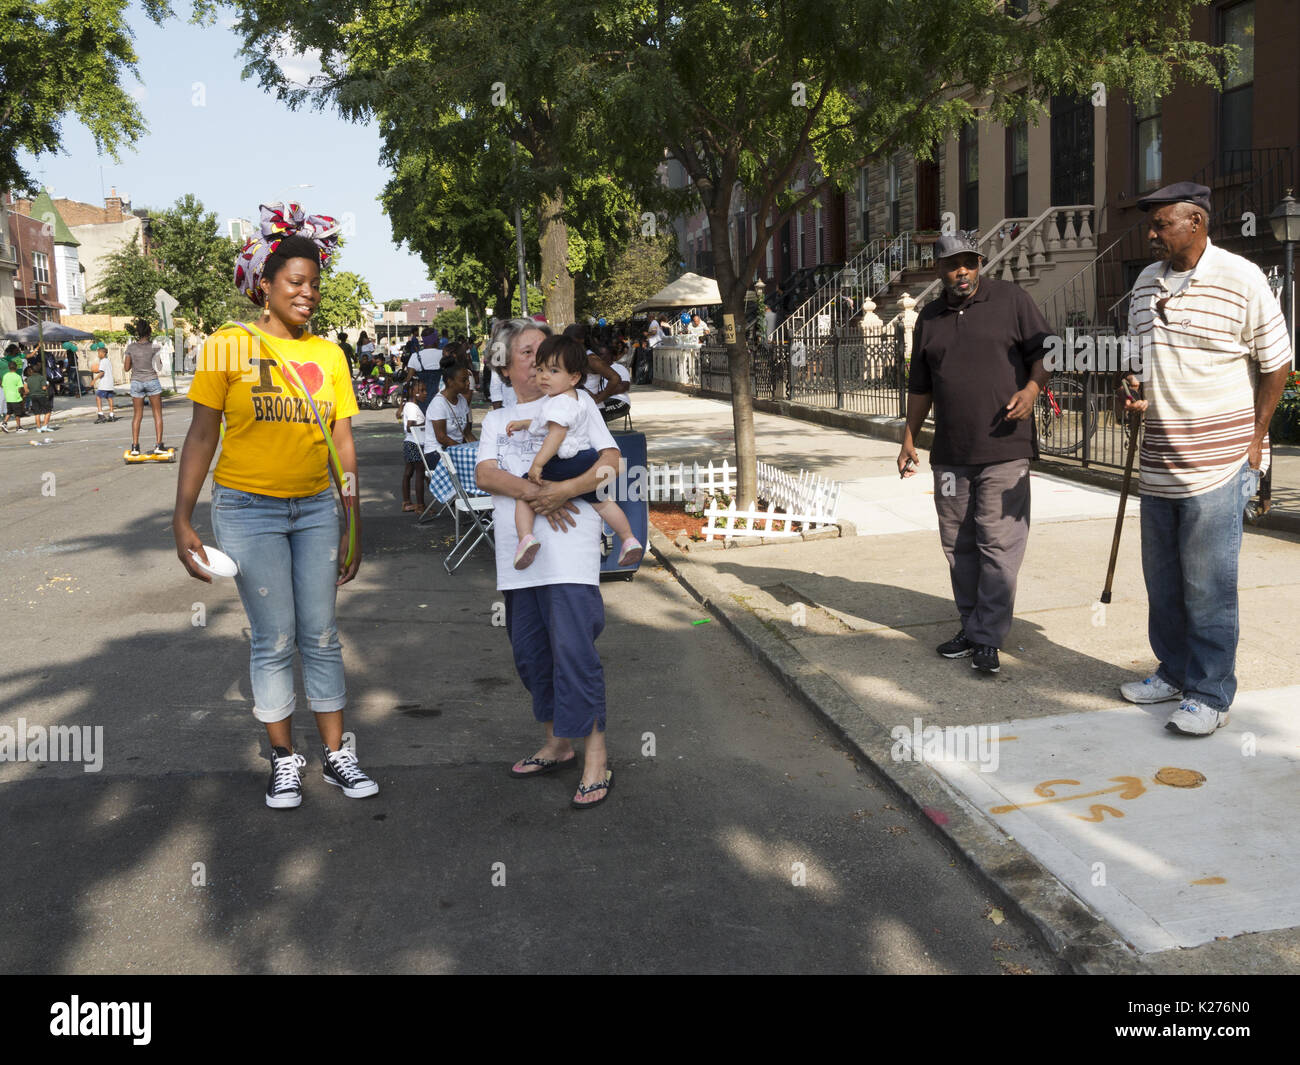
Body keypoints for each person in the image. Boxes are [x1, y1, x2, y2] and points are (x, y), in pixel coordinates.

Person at [173, 203, 377, 809]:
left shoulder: (330, 356)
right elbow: (201, 435)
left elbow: (342, 442)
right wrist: (181, 515)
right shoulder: (228, 346)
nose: (308, 294)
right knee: (274, 635)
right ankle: (285, 760)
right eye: (296, 283)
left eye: (315, 284)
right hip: (247, 509)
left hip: (317, 507)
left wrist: (354, 522)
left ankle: (338, 755)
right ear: (265, 285)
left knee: (320, 632)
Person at [1116, 181, 1292, 735]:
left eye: (1161, 223)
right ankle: (1171, 671)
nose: (1151, 233)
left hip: (1217, 463)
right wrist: (1135, 388)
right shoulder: (1145, 284)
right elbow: (1139, 358)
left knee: (1208, 585)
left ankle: (1211, 692)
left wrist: (1256, 436)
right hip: (1158, 459)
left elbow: (1278, 362)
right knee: (1164, 582)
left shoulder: (1242, 278)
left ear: (1196, 222)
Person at [476, 317, 622, 808]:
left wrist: (566, 490)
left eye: (546, 353)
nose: (539, 362)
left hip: (569, 555)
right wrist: (537, 493)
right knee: (532, 655)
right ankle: (558, 743)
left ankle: (595, 757)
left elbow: (610, 464)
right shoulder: (497, 419)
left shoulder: (576, 407)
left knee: (575, 653)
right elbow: (485, 474)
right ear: (506, 365)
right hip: (518, 557)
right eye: (527, 353)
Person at [898, 232, 1051, 675]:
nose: (960, 271)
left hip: (1006, 447)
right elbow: (920, 387)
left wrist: (1032, 387)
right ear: (939, 270)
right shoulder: (929, 317)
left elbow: (1046, 349)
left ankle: (988, 637)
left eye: (967, 262)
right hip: (950, 453)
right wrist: (909, 437)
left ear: (979, 262)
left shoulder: (1011, 300)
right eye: (950, 264)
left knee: (998, 543)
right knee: (959, 546)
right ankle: (972, 626)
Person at [505, 334, 642, 570]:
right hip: (586, 460)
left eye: (554, 371)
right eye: (540, 369)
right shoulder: (573, 398)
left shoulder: (558, 402)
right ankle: (628, 538)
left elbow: (555, 434)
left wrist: (537, 465)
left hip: (562, 462)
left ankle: (526, 538)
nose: (544, 376)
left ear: (574, 377)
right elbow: (546, 423)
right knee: (604, 502)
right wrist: (525, 423)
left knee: (524, 494)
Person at [424, 354, 476, 467]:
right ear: (450, 382)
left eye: (468, 379)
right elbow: (442, 438)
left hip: (455, 450)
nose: (468, 383)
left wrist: (479, 448)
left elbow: (467, 433)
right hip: (436, 453)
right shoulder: (438, 403)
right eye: (464, 380)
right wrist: (464, 451)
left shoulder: (462, 400)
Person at [123, 319, 166, 455]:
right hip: (152, 380)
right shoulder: (155, 347)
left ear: (137, 332)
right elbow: (159, 367)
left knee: (137, 415)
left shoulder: (131, 348)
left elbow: (126, 368)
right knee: (157, 414)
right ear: (149, 332)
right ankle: (158, 445)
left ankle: (135, 447)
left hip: (136, 382)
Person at [399, 379, 429, 513]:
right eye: (421, 391)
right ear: (412, 392)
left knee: (408, 473)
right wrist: (427, 425)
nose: (425, 393)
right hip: (415, 443)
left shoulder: (410, 406)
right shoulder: (412, 407)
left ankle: (406, 503)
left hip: (409, 443)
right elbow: (410, 427)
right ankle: (421, 506)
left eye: (425, 390)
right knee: (420, 474)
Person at [405, 328, 442, 408]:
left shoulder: (415, 356)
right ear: (435, 340)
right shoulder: (444, 355)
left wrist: (403, 404)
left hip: (422, 401)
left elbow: (408, 381)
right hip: (441, 399)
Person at [23, 363, 54, 433]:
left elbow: (26, 390)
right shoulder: (41, 377)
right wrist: (47, 385)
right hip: (41, 396)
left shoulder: (28, 379)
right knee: (48, 411)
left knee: (37, 413)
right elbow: (43, 388)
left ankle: (38, 428)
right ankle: (45, 426)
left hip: (33, 396)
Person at [93, 347, 117, 423]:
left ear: (103, 353)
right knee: (109, 398)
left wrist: (94, 380)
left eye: (99, 353)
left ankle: (101, 415)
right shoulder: (108, 361)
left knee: (98, 397)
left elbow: (102, 372)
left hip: (104, 383)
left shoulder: (103, 361)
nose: (98, 355)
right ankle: (111, 414)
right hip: (109, 383)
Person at [1, 360, 25, 433]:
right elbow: (20, 388)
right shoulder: (17, 376)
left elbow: (2, 385)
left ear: (8, 368)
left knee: (9, 412)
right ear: (16, 367)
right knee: (17, 414)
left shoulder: (5, 376)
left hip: (8, 397)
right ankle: (18, 427)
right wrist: (23, 394)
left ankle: (4, 423)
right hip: (16, 398)